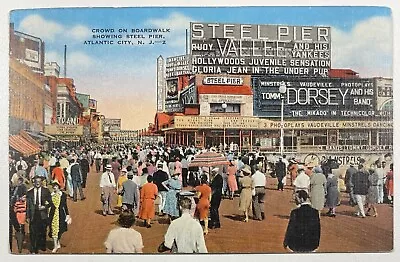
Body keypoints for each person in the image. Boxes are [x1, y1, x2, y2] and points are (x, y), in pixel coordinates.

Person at [26, 176, 53, 254]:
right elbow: (27, 205)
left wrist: (45, 206)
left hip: (43, 213)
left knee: (42, 230)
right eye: (36, 181)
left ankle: (42, 245)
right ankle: (34, 248)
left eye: (39, 181)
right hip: (33, 214)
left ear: (41, 182)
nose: (37, 183)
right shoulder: (29, 192)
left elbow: (51, 203)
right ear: (33, 182)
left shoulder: (46, 191)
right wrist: (27, 216)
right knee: (33, 231)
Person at [48, 180, 70, 253]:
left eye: (56, 186)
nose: (55, 188)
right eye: (54, 186)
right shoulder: (51, 195)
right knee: (54, 230)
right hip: (53, 214)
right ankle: (55, 246)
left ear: (58, 187)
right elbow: (49, 205)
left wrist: (67, 215)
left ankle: (57, 243)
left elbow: (65, 206)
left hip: (60, 214)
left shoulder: (63, 195)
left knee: (59, 230)